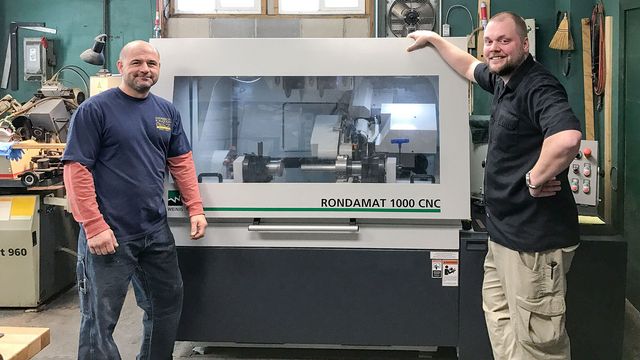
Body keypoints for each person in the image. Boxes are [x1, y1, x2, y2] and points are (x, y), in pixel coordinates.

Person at [407, 12, 582, 360]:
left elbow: (566, 139)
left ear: (525, 43)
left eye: (505, 40)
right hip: (503, 238)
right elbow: (469, 67)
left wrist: (534, 179)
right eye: (489, 41)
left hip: (533, 245)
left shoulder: (538, 85)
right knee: (502, 326)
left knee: (537, 343)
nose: (495, 49)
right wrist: (434, 39)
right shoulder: (504, 79)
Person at [62, 40, 207, 359]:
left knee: (167, 305)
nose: (145, 69)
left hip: (155, 232)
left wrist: (195, 208)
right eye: (137, 62)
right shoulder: (95, 110)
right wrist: (94, 226)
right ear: (120, 66)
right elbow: (76, 169)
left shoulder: (166, 111)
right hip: (109, 234)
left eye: (152, 64)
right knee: (99, 320)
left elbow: (181, 161)